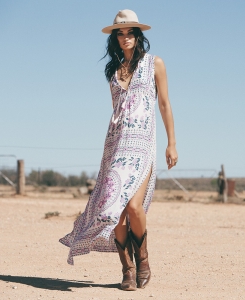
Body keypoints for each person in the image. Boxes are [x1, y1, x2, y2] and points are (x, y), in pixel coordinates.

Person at [59, 9, 178, 291]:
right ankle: (127, 269)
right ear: (115, 38)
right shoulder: (112, 71)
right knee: (115, 213)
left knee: (134, 207)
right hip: (116, 146)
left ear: (138, 36)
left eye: (130, 32)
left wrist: (172, 142)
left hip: (143, 145)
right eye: (120, 33)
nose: (126, 37)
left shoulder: (154, 63)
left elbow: (164, 104)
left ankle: (144, 261)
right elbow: (117, 111)